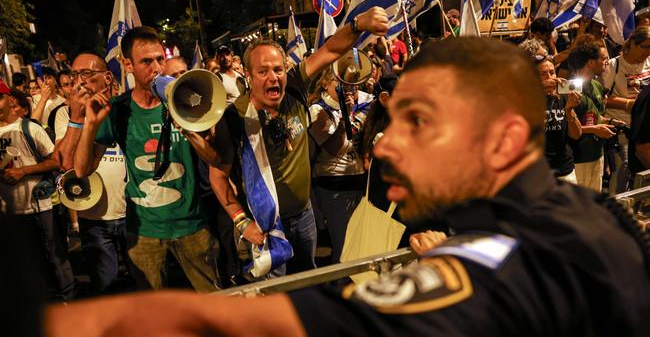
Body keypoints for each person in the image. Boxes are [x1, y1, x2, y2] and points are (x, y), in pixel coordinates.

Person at [47, 37, 650, 337]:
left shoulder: (494, 264)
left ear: (501, 138)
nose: (384, 144)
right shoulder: (597, 218)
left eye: (418, 122)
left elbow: (282, 324)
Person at [207, 7, 389, 277]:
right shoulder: (233, 118)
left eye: (278, 69)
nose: (273, 77)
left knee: (308, 282)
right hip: (265, 225)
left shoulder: (294, 87)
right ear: (247, 74)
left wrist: (358, 24)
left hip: (304, 217)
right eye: (263, 71)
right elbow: (218, 176)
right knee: (275, 298)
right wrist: (242, 222)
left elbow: (330, 51)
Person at [73, 26, 220, 292]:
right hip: (144, 233)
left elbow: (215, 160)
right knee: (155, 314)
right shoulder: (118, 110)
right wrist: (90, 125)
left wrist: (189, 124)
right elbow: (82, 170)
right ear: (127, 64)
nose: (156, 68)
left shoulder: (181, 101)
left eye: (159, 59)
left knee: (214, 302)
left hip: (192, 226)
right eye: (146, 61)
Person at [55, 52, 129, 294]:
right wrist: (78, 118)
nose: (79, 82)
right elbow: (68, 166)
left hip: (133, 212)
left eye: (86, 74)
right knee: (107, 291)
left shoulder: (124, 108)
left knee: (144, 286)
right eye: (74, 75)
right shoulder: (66, 114)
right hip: (94, 218)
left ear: (107, 78)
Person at [0, 84, 75, 302]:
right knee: (26, 260)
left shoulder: (30, 129)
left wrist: (23, 171)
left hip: (39, 206)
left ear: (10, 101)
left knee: (54, 255)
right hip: (10, 211)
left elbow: (55, 161)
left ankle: (68, 299)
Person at [308, 68, 373, 263]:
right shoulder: (317, 110)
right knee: (344, 246)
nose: (348, 90)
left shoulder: (361, 106)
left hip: (359, 180)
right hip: (335, 186)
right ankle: (341, 287)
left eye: (352, 85)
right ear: (326, 84)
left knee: (363, 243)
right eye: (341, 84)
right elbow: (335, 148)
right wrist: (347, 116)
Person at [567, 42, 623, 191]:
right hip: (578, 158)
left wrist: (610, 122)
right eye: (602, 58)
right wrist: (594, 129)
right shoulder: (568, 89)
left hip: (597, 155)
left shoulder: (597, 86)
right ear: (591, 62)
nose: (606, 61)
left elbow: (596, 117)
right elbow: (566, 127)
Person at [601, 26, 650, 193]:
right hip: (623, 127)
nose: (647, 52)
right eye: (645, 46)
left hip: (644, 126)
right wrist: (629, 104)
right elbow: (602, 99)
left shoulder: (649, 62)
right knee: (623, 169)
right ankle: (618, 208)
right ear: (632, 44)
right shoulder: (614, 65)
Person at [534, 54, 582, 182]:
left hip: (565, 170)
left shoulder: (563, 97)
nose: (550, 78)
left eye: (552, 72)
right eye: (543, 74)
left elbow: (576, 134)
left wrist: (569, 110)